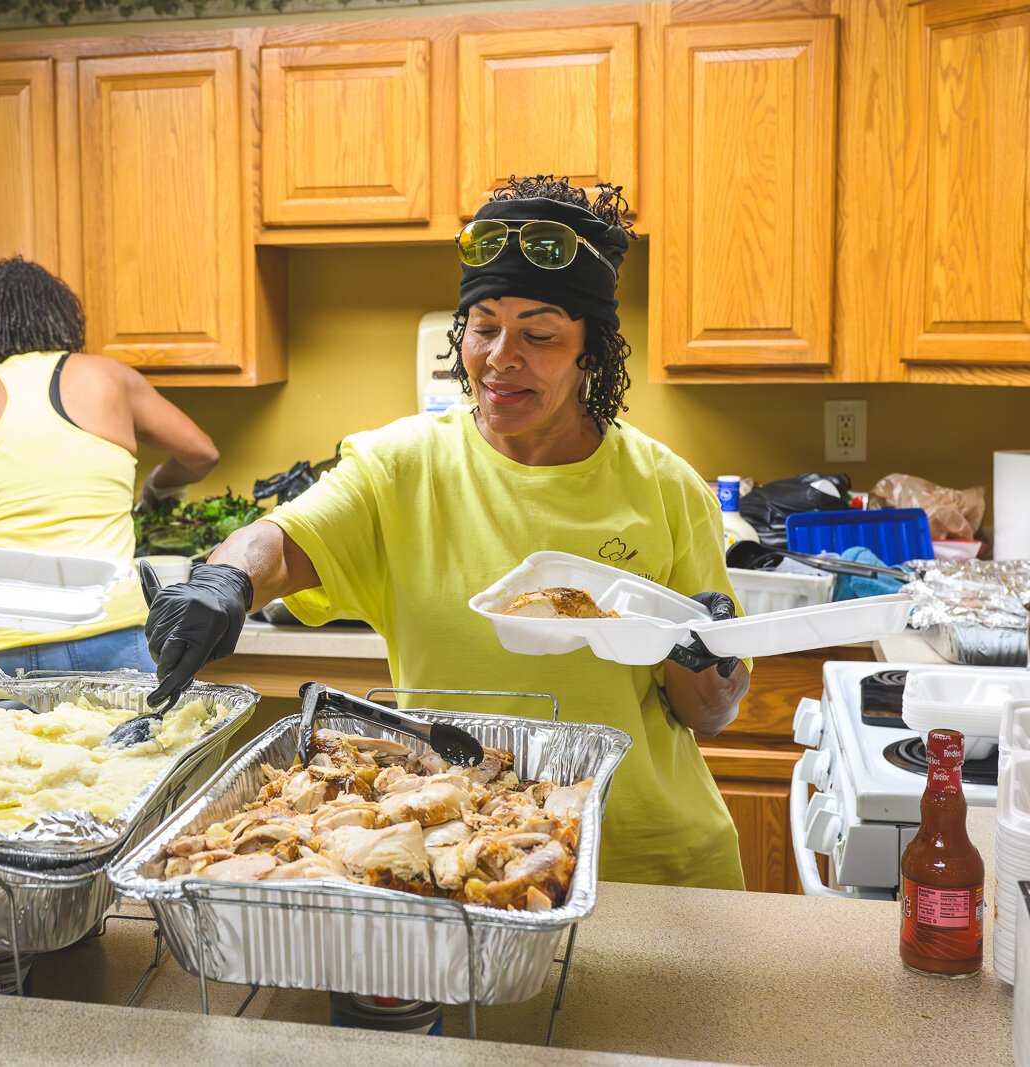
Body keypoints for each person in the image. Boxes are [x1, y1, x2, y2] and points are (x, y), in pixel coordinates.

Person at [141, 176, 751, 890]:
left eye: (540, 334)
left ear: (594, 347)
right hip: (462, 864)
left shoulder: (667, 488)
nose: (500, 357)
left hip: (651, 865)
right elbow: (281, 540)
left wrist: (707, 654)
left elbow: (708, 715)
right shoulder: (403, 466)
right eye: (484, 327)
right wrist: (224, 581)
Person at [0, 257, 218, 675]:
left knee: (2, 744)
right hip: (111, 629)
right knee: (143, 743)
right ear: (61, 317)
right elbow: (201, 453)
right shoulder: (108, 377)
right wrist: (154, 490)